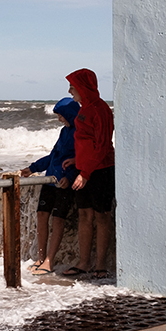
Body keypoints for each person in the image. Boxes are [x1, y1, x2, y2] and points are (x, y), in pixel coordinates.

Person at [62, 69, 115, 279]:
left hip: (100, 171)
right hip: (84, 169)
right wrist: (78, 161)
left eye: (73, 86)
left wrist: (84, 172)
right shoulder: (84, 108)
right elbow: (86, 142)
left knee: (102, 217)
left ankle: (100, 265)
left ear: (83, 87)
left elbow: (102, 146)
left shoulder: (100, 109)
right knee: (84, 215)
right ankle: (84, 263)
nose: (69, 90)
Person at [20, 97, 80, 276]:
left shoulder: (79, 133)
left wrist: (69, 178)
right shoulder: (63, 132)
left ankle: (49, 260)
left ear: (70, 114)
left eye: (61, 115)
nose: (59, 119)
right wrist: (33, 168)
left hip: (64, 184)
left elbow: (79, 160)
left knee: (58, 220)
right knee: (41, 216)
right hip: (49, 181)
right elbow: (53, 156)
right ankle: (40, 257)